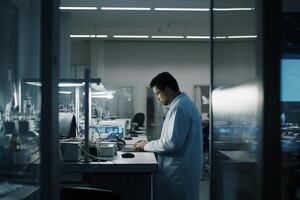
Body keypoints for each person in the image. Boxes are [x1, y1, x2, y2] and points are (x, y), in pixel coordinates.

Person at [134, 72, 203, 200]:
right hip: (181, 171)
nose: (157, 98)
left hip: (179, 174)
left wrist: (147, 146)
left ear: (167, 90)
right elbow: (172, 139)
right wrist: (151, 143)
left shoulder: (179, 108)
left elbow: (172, 143)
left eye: (157, 94)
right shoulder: (181, 104)